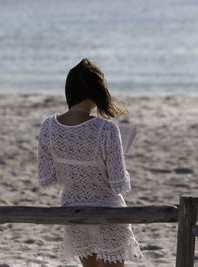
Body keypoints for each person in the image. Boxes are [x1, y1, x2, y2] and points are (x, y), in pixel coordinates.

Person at [37, 59, 142, 267]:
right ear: (98, 92)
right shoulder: (106, 129)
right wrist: (117, 157)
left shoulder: (48, 126)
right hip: (107, 213)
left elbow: (46, 179)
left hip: (74, 212)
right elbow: (119, 184)